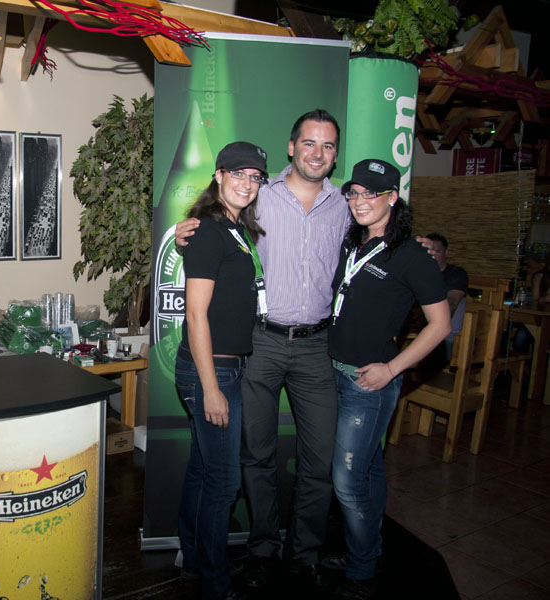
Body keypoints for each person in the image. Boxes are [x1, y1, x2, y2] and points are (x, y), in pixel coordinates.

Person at [177, 109, 348, 589]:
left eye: (328, 145)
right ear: (292, 147)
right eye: (309, 143)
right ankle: (262, 549)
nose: (317, 153)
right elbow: (209, 227)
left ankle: (304, 553)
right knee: (255, 456)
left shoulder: (346, 204)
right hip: (261, 343)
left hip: (316, 344)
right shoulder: (259, 195)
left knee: (319, 458)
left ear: (335, 154)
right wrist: (184, 230)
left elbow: (381, 231)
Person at [328, 159, 450, 599]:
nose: (360, 201)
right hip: (334, 374)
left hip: (369, 384)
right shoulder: (354, 242)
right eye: (354, 193)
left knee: (347, 481)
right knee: (369, 471)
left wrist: (393, 368)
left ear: (393, 197)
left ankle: (362, 570)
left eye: (372, 193)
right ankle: (368, 551)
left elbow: (441, 325)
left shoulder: (412, 256)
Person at [175, 141, 269, 600]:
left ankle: (194, 562)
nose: (247, 183)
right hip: (211, 372)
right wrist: (211, 387)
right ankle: (216, 584)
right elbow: (196, 315)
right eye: (238, 173)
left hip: (225, 368)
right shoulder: (210, 231)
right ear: (218, 175)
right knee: (224, 482)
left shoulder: (235, 230)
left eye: (255, 177)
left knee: (202, 470)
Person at [425, 233, 468, 359]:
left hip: (446, 337)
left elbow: (452, 303)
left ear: (446, 253)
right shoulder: (417, 274)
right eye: (429, 252)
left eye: (437, 252)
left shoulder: (456, 274)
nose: (433, 256)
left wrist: (434, 327)